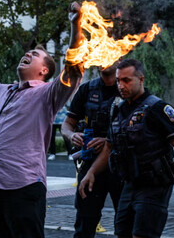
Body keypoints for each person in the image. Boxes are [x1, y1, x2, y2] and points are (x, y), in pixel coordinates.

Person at [0, 2, 84, 237]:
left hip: (23, 187)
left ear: (44, 71)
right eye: (28, 52)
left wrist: (76, 25)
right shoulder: (3, 91)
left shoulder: (47, 94)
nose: (27, 54)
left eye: (34, 55)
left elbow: (73, 70)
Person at [79, 59, 174, 238]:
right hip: (129, 184)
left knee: (142, 234)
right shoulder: (119, 110)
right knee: (123, 232)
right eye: (118, 80)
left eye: (127, 80)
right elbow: (109, 147)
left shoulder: (158, 108)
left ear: (141, 79)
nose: (121, 85)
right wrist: (91, 172)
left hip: (154, 185)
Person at [61, 60, 123, 238]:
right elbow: (67, 125)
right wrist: (72, 135)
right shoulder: (87, 89)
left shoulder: (126, 87)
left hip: (120, 164)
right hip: (90, 163)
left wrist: (107, 141)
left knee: (125, 221)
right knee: (85, 222)